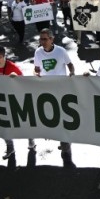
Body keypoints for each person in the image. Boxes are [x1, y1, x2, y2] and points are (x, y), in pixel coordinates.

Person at [33, 28, 75, 163]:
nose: (43, 42)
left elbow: (70, 65)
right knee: (52, 117)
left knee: (62, 117)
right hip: (46, 90)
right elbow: (37, 69)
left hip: (61, 89)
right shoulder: (38, 52)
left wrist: (72, 75)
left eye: (45, 39)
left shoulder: (61, 51)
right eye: (41, 39)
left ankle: (65, 147)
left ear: (52, 39)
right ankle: (62, 140)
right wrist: (36, 75)